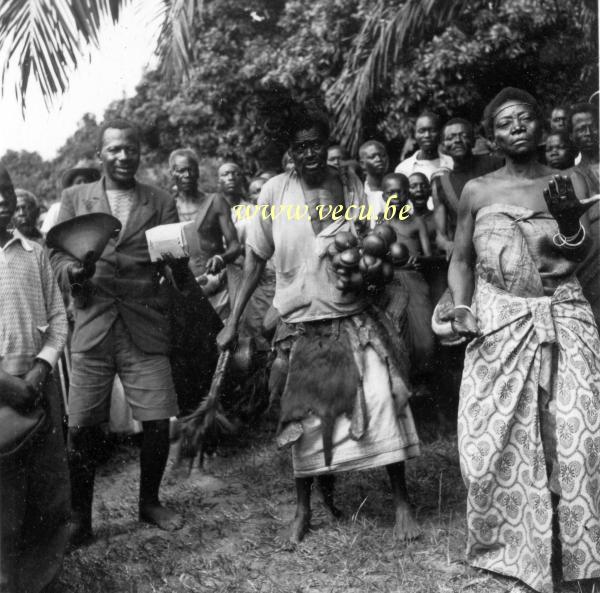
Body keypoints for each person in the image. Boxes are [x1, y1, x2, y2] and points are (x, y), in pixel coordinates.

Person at [217, 93, 420, 544]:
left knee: (381, 400)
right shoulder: (273, 191)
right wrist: (232, 321)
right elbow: (254, 260)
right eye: (299, 146)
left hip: (352, 312)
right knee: (304, 417)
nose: (308, 153)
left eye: (316, 144)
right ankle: (303, 510)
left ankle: (402, 502)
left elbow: (370, 241)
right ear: (289, 149)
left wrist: (372, 268)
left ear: (327, 143)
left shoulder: (348, 185)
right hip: (301, 318)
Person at [448, 87, 600, 592]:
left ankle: (583, 562)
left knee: (579, 434)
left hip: (564, 313)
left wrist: (566, 223)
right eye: (506, 122)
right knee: (496, 442)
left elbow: (580, 253)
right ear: (491, 136)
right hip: (501, 321)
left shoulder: (569, 179)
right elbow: (462, 259)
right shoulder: (476, 190)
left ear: (541, 128)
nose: (517, 126)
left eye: (527, 118)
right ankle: (515, 555)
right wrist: (464, 307)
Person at [51, 119, 185, 546]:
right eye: (114, 150)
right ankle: (80, 518)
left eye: (130, 149)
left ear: (139, 152)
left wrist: (180, 260)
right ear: (100, 156)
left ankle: (150, 501)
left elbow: (174, 263)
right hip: (93, 322)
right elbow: (55, 256)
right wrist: (72, 272)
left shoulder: (160, 200)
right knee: (83, 425)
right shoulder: (75, 198)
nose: (123, 156)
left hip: (144, 322)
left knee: (157, 417)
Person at [0, 165, 70, 593]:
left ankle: (43, 578)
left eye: (5, 189)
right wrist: (8, 385)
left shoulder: (33, 252)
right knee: (4, 499)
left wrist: (41, 368)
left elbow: (58, 318)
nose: (2, 199)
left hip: (39, 380)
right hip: (2, 386)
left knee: (48, 487)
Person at [169, 150, 241, 320]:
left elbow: (235, 245)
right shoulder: (168, 206)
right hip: (183, 289)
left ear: (198, 171)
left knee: (223, 339)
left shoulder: (215, 201)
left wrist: (221, 258)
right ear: (172, 173)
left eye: (191, 169)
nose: (186, 175)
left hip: (216, 283)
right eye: (180, 170)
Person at [379, 173, 434, 377]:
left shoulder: (416, 222)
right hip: (390, 282)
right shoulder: (379, 223)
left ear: (407, 194)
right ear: (384, 197)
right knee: (397, 334)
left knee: (424, 339)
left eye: (400, 192)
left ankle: (423, 381)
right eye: (390, 193)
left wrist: (417, 259)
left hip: (414, 279)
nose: (396, 197)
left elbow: (428, 256)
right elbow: (373, 255)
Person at [432, 118, 502, 261]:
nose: (457, 140)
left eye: (463, 135)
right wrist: (448, 245)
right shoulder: (441, 182)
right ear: (443, 146)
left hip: (501, 247)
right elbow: (440, 236)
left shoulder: (496, 164)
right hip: (467, 258)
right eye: (450, 138)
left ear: (473, 140)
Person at [570, 103, 600, 328]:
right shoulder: (573, 175)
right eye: (581, 129)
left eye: (593, 126)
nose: (588, 133)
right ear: (572, 136)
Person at [41, 159, 101, 235]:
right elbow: (46, 234)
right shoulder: (57, 208)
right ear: (71, 187)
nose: (83, 185)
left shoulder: (98, 206)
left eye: (86, 182)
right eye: (79, 182)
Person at [394, 111, 453, 180]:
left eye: (432, 130)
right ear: (415, 135)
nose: (427, 135)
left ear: (440, 134)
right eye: (422, 131)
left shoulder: (451, 163)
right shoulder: (403, 169)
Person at [359, 140, 389, 220]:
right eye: (372, 157)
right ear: (362, 164)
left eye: (382, 155)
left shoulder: (398, 190)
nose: (379, 159)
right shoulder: (360, 194)